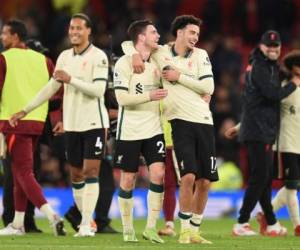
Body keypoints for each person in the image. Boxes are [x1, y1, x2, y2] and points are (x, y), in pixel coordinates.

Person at [9, 13, 110, 237]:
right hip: (72, 124)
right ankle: (86, 221)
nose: (74, 32)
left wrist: (71, 79)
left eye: (79, 29)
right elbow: (51, 87)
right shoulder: (64, 56)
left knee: (91, 171)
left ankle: (86, 223)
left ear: (88, 31)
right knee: (75, 176)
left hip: (94, 122)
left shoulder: (98, 57)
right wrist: (25, 109)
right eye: (71, 28)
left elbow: (98, 91)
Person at [122, 15, 217, 244]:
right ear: (180, 33)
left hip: (204, 120)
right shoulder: (162, 52)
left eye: (197, 33)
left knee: (205, 181)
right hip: (179, 122)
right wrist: (133, 54)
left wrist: (179, 77)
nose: (195, 37)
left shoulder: (201, 55)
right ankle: (184, 231)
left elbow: (209, 87)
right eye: (191, 32)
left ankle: (194, 229)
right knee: (188, 176)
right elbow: (130, 43)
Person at [225, 30, 300, 236]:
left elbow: (257, 100)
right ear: (261, 46)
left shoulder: (267, 66)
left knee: (265, 178)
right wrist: (293, 84)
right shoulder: (260, 67)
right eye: (269, 46)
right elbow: (271, 95)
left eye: (276, 46)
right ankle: (241, 222)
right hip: (258, 130)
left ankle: (272, 222)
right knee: (259, 178)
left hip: (262, 129)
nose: (273, 49)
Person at [0, 20, 65, 236]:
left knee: (23, 172)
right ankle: (18, 224)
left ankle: (51, 215)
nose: (2, 37)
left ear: (16, 36)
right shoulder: (43, 60)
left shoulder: (4, 59)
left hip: (12, 122)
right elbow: (57, 90)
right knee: (21, 173)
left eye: (5, 34)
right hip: (37, 123)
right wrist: (56, 117)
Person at [113, 20, 167, 243]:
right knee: (128, 179)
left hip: (154, 128)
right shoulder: (124, 64)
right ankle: (128, 229)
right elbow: (122, 99)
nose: (158, 36)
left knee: (159, 174)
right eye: (153, 32)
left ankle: (151, 228)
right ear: (142, 37)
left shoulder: (157, 57)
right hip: (130, 130)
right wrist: (149, 96)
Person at [257, 50, 300, 236]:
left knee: (294, 185)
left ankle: (266, 214)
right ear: (294, 68)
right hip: (287, 144)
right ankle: (298, 226)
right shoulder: (284, 88)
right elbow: (265, 110)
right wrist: (241, 126)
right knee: (292, 185)